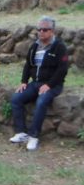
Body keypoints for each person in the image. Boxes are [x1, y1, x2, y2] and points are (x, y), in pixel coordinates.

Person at [9, 16, 69, 151]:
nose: (41, 32)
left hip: (53, 85)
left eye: (45, 30)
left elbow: (62, 69)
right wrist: (24, 81)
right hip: (35, 83)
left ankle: (33, 136)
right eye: (39, 29)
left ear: (52, 31)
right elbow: (28, 65)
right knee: (16, 99)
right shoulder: (35, 46)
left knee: (41, 102)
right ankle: (21, 133)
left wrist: (49, 85)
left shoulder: (59, 47)